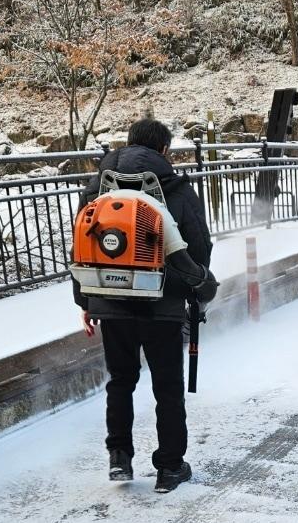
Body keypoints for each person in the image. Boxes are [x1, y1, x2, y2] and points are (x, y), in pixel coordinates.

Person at [74, 119, 218, 493]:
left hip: (109, 301)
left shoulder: (98, 186)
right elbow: (199, 248)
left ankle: (119, 458)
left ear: (127, 143)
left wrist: (86, 300)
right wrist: (197, 285)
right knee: (167, 387)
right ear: (165, 151)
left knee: (120, 381)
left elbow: (81, 245)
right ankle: (170, 467)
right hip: (162, 302)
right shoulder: (177, 188)